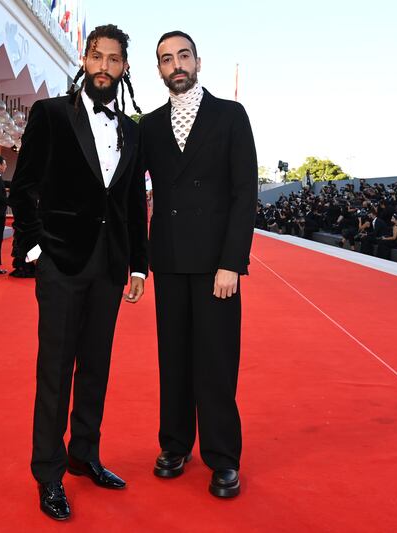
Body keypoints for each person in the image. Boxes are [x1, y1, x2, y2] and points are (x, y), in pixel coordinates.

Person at [8, 24, 148, 521]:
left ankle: (84, 454)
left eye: (114, 59)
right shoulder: (50, 115)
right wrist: (32, 250)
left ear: (124, 67)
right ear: (84, 61)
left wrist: (139, 265)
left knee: (96, 367)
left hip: (110, 265)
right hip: (62, 262)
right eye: (97, 56)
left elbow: (133, 201)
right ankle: (48, 474)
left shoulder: (132, 129)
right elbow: (23, 186)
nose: (105, 66)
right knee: (55, 372)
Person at [140, 30, 256, 499]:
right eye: (167, 59)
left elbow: (243, 193)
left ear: (198, 61)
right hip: (168, 259)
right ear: (160, 69)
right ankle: (175, 444)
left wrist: (232, 262)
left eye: (183, 55)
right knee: (173, 359)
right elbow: (131, 191)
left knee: (216, 361)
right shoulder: (148, 126)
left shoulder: (230, 116)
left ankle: (223, 457)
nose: (176, 64)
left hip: (216, 267)